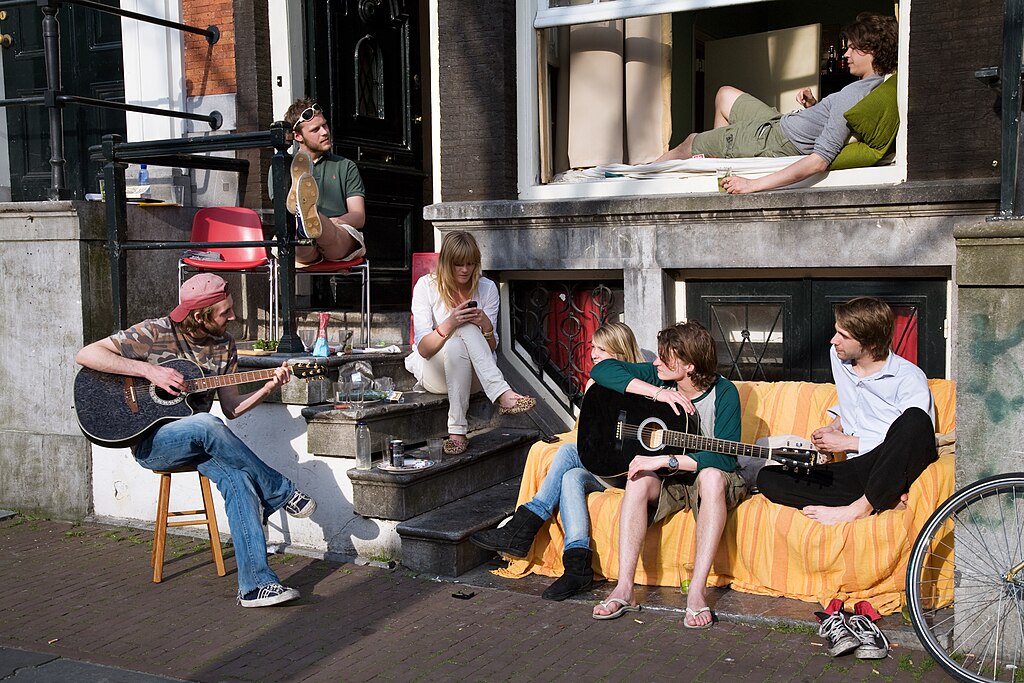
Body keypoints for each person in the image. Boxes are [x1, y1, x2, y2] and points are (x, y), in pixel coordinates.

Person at [75, 274, 317, 608]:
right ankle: (279, 491)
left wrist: (267, 387)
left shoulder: (224, 346)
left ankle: (255, 586)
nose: (232, 317)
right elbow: (86, 354)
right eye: (224, 312)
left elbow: (231, 409)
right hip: (153, 444)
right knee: (204, 422)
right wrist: (150, 372)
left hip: (204, 442)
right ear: (200, 315)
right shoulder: (154, 332)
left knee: (240, 479)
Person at [470, 321, 645, 602]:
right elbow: (590, 433)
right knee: (570, 477)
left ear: (620, 353)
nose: (594, 355)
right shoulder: (595, 384)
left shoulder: (641, 387)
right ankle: (577, 568)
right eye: (593, 348)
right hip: (600, 467)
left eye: (602, 349)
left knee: (565, 454)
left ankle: (522, 528)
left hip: (627, 470)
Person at [588, 321, 747, 628]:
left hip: (704, 473)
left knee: (712, 476)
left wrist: (669, 460)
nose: (656, 361)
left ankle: (697, 593)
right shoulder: (660, 377)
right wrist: (657, 395)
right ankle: (624, 588)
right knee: (637, 479)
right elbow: (602, 371)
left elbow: (726, 458)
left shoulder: (725, 393)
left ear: (689, 366)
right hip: (671, 479)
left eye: (664, 357)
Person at [653, 12, 898, 194]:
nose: (846, 54)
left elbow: (819, 161)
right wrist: (814, 106)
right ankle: (722, 160)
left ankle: (637, 177)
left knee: (690, 143)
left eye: (853, 49)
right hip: (778, 123)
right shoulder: (869, 87)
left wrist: (752, 185)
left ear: (872, 51)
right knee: (724, 94)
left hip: (771, 140)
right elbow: (834, 125)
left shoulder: (852, 96)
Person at [757, 297, 938, 526]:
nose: (834, 341)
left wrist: (848, 443)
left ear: (870, 343)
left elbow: (915, 441)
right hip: (853, 473)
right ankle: (885, 498)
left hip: (887, 466)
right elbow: (855, 403)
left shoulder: (908, 378)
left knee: (915, 419)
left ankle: (859, 508)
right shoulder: (839, 357)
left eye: (844, 336)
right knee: (768, 478)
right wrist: (834, 427)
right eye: (836, 332)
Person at [405, 231, 536, 455]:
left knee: (465, 330)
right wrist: (449, 323)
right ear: (446, 263)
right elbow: (424, 349)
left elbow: (491, 348)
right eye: (458, 264)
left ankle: (457, 432)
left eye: (471, 264)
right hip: (435, 373)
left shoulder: (487, 288)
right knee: (461, 325)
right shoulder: (426, 287)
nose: (465, 270)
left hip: (476, 375)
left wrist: (486, 326)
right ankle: (502, 394)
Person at [273, 98, 367, 266]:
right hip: (299, 241)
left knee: (328, 233)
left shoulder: (345, 166)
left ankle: (311, 220)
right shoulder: (280, 167)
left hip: (339, 234)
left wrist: (332, 222)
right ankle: (305, 224)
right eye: (316, 129)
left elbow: (358, 216)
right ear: (297, 136)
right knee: (298, 239)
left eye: (324, 125)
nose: (325, 132)